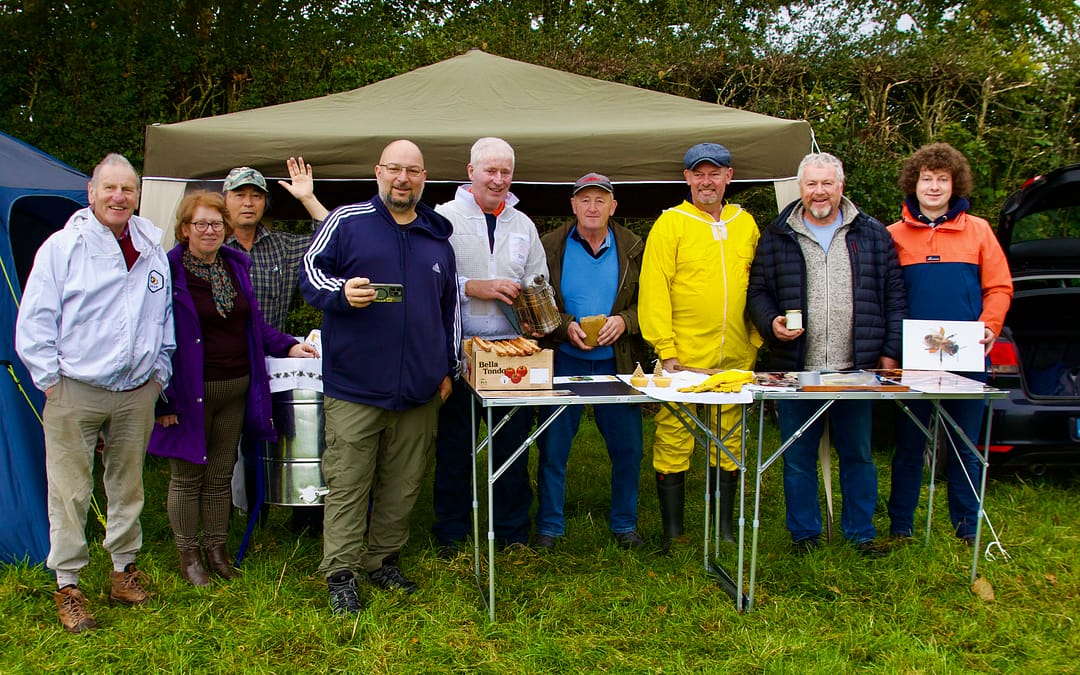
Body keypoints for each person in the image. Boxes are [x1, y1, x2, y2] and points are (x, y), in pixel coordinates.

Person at [15, 153, 175, 633]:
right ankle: (68, 583)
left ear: (137, 196)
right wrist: (51, 381)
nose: (119, 197)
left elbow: (161, 317)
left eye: (127, 189)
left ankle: (123, 572)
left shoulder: (151, 246)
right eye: (110, 188)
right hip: (75, 388)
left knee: (128, 485)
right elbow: (36, 319)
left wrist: (159, 373)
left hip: (135, 391)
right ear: (91, 192)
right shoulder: (63, 248)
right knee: (70, 491)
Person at [299, 140, 458, 615]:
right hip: (355, 385)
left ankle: (382, 559)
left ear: (424, 178)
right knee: (348, 481)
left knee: (404, 482)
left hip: (419, 388)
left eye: (412, 171)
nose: (402, 179)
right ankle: (341, 573)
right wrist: (342, 291)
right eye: (394, 169)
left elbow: (449, 311)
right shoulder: (347, 222)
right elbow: (310, 273)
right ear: (378, 173)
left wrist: (447, 368)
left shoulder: (437, 240)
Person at [147, 191, 317, 587]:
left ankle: (217, 549)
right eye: (200, 224)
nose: (209, 231)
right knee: (188, 476)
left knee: (221, 474)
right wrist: (164, 399)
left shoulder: (235, 264)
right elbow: (153, 335)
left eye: (216, 224)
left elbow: (252, 325)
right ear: (184, 229)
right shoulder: (167, 271)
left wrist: (288, 344)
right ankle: (189, 556)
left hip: (236, 388)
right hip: (189, 393)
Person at [746, 152, 907, 556]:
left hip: (857, 368)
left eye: (827, 183)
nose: (819, 192)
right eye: (811, 184)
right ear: (801, 189)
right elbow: (758, 292)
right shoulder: (778, 233)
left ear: (841, 185)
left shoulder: (872, 233)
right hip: (797, 369)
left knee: (858, 455)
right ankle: (805, 537)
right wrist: (771, 324)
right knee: (798, 456)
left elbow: (894, 294)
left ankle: (860, 534)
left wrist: (890, 352)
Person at [887, 143, 1013, 544]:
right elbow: (886, 294)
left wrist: (989, 325)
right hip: (913, 359)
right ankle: (901, 526)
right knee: (909, 445)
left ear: (954, 183)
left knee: (963, 444)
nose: (935, 186)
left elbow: (999, 287)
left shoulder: (979, 230)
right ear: (915, 182)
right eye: (928, 178)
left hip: (967, 355)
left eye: (943, 179)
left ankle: (967, 527)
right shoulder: (893, 235)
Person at [638, 143, 761, 549]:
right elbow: (654, 289)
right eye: (698, 173)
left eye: (715, 173)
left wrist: (757, 338)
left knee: (729, 441)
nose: (706, 181)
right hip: (684, 357)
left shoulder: (747, 224)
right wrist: (665, 348)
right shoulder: (670, 224)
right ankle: (674, 531)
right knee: (674, 437)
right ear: (687, 178)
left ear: (729, 176)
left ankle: (723, 529)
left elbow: (759, 284)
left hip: (736, 357)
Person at [431, 137, 548, 555]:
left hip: (510, 352)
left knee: (512, 446)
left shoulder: (523, 224)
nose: (498, 180)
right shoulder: (443, 219)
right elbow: (430, 282)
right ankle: (452, 533)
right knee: (455, 447)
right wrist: (474, 287)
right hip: (458, 350)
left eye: (505, 172)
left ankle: (513, 533)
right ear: (471, 172)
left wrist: (536, 318)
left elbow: (539, 281)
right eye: (490, 171)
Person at [534, 173, 646, 550]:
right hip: (566, 359)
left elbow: (652, 303)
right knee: (553, 448)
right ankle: (549, 527)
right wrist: (565, 327)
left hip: (617, 362)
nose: (592, 207)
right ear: (573, 206)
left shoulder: (633, 247)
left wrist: (625, 321)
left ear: (613, 207)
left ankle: (625, 524)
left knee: (628, 448)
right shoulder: (550, 246)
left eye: (601, 200)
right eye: (585, 200)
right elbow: (537, 301)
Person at [222, 160, 329, 533]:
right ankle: (235, 520)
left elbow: (332, 236)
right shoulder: (212, 244)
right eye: (240, 195)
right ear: (226, 200)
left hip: (276, 362)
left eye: (256, 196)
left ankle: (286, 514)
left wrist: (308, 198)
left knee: (279, 441)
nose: (248, 203)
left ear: (266, 203)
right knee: (228, 445)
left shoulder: (281, 245)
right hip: (225, 363)